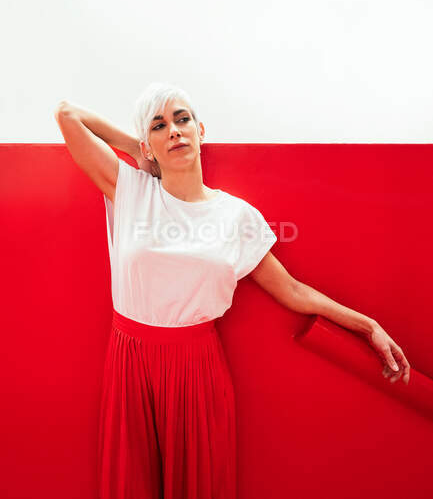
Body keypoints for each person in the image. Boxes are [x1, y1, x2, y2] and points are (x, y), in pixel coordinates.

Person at [54, 81, 411, 499]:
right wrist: (135, 149)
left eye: (182, 119)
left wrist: (368, 325)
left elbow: (292, 291)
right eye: (159, 125)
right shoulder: (130, 188)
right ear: (148, 144)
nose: (174, 130)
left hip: (196, 366)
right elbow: (66, 114)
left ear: (201, 131)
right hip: (131, 359)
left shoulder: (236, 216)